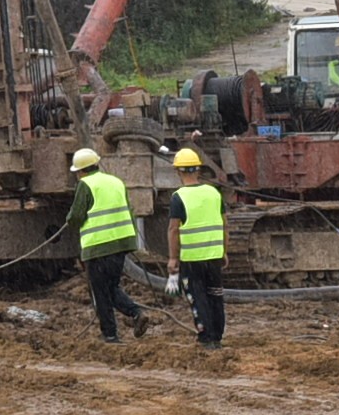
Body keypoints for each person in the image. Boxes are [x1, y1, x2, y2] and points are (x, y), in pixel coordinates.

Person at [69, 144, 149, 342]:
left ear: (80, 171)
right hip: (120, 245)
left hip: (99, 247)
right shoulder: (116, 181)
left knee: (100, 292)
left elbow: (76, 216)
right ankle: (136, 313)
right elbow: (128, 210)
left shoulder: (85, 185)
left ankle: (111, 335)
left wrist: (69, 219)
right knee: (111, 287)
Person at [160, 146, 226, 348]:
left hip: (192, 258)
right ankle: (217, 336)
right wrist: (224, 251)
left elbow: (173, 229)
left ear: (178, 172)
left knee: (198, 297)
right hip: (214, 255)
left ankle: (206, 338)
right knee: (215, 295)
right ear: (198, 169)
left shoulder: (179, 197)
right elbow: (225, 223)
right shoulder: (214, 193)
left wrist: (173, 258)